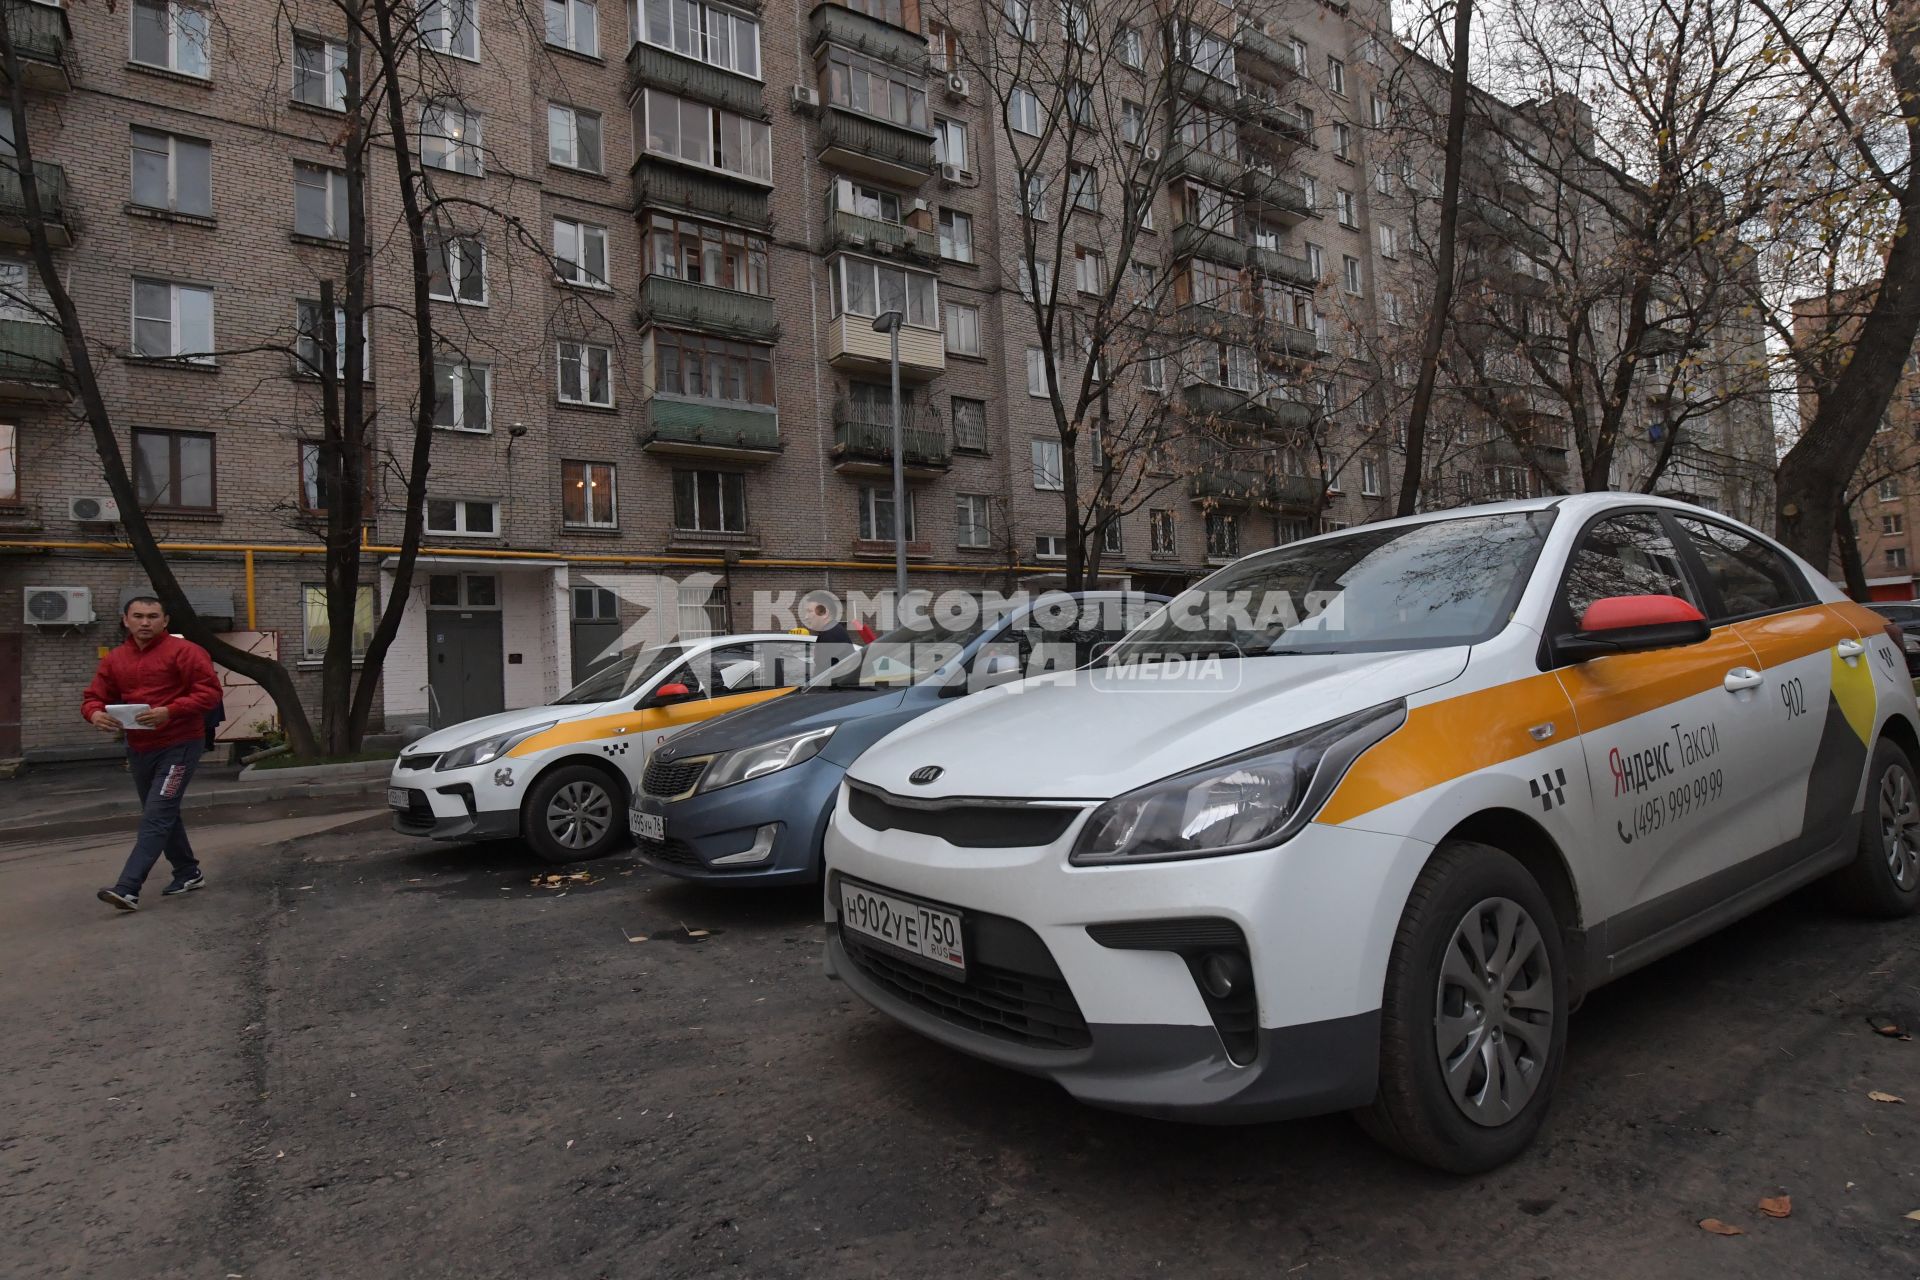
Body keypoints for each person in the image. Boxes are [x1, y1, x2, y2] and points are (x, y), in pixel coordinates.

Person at [81, 596, 225, 912]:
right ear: (126, 620)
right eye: (138, 616)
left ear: (165, 621)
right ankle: (188, 873)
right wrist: (93, 714)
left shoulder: (186, 652)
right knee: (161, 812)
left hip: (180, 744)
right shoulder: (115, 659)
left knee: (157, 814)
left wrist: (170, 711)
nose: (145, 622)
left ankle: (128, 888)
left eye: (152, 616)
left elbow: (210, 693)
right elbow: (94, 696)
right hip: (140, 748)